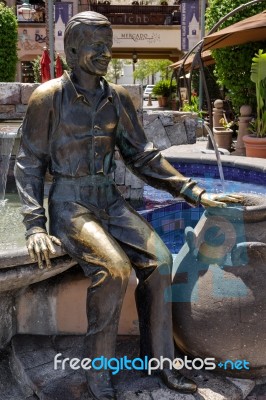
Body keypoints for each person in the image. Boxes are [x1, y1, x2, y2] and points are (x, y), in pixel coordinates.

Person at [15, 11, 242, 400]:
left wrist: (196, 194)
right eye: (96, 46)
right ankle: (97, 372)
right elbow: (29, 161)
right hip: (70, 203)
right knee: (116, 270)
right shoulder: (48, 97)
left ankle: (160, 365)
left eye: (109, 44)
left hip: (109, 199)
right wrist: (35, 224)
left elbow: (144, 157)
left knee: (161, 262)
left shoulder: (117, 99)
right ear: (73, 49)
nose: (107, 53)